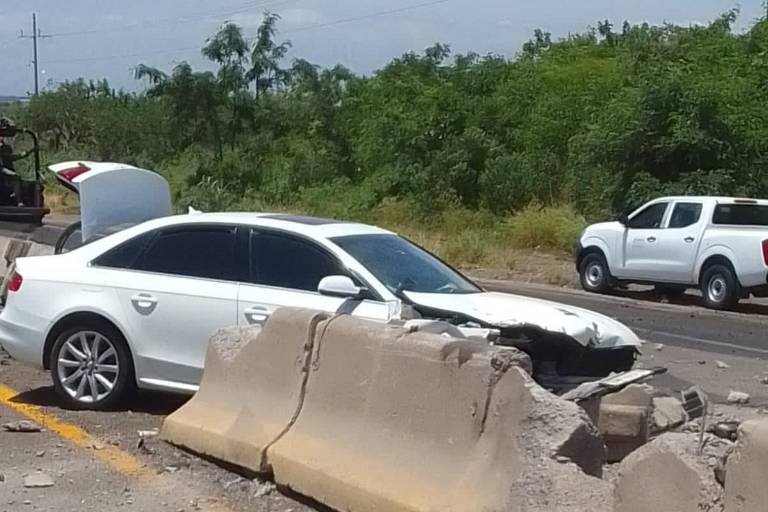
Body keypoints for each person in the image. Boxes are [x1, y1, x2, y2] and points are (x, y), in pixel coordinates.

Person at [0, 135, 30, 207]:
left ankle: (18, 198)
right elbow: (2, 169)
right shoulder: (3, 157)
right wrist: (13, 174)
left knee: (21, 182)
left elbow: (20, 155)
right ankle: (18, 199)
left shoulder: (7, 157)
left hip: (6, 178)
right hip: (3, 176)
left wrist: (30, 151)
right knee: (15, 179)